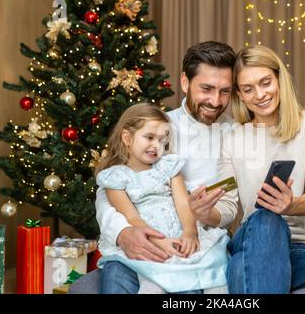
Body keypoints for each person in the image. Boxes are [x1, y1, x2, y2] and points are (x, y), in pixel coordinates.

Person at [95, 41, 305, 293]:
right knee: (117, 274)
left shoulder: (233, 131)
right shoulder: (158, 129)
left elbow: (230, 204)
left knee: (263, 226)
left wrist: (202, 218)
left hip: (221, 242)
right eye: (206, 89)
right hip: (165, 234)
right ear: (185, 83)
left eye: (224, 91)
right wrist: (123, 232)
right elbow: (112, 184)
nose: (215, 100)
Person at [214, 45, 305, 294]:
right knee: (266, 219)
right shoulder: (233, 139)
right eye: (248, 89)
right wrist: (205, 212)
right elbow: (227, 204)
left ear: (280, 78)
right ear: (240, 94)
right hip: (251, 239)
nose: (259, 94)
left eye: (265, 82)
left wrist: (291, 206)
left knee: (238, 270)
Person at [95, 103, 229, 294]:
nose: (156, 146)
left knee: (214, 269)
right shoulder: (115, 178)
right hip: (148, 239)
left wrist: (190, 232)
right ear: (127, 137)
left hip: (179, 233)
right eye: (149, 137)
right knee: (153, 282)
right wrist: (158, 242)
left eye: (162, 140)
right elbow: (132, 218)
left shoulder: (168, 166)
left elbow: (183, 204)